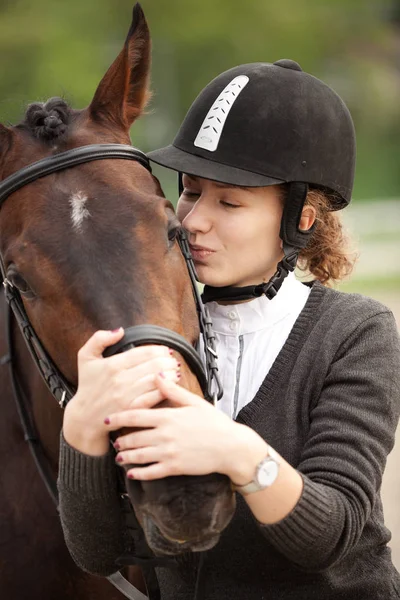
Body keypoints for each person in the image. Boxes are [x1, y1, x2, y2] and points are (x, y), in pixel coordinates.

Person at [58, 60, 400, 599]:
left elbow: (330, 535)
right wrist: (80, 428)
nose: (193, 220)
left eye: (230, 202)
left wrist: (235, 450)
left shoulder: (356, 332)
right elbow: (99, 553)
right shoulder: (156, 333)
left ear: (302, 218)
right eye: (191, 191)